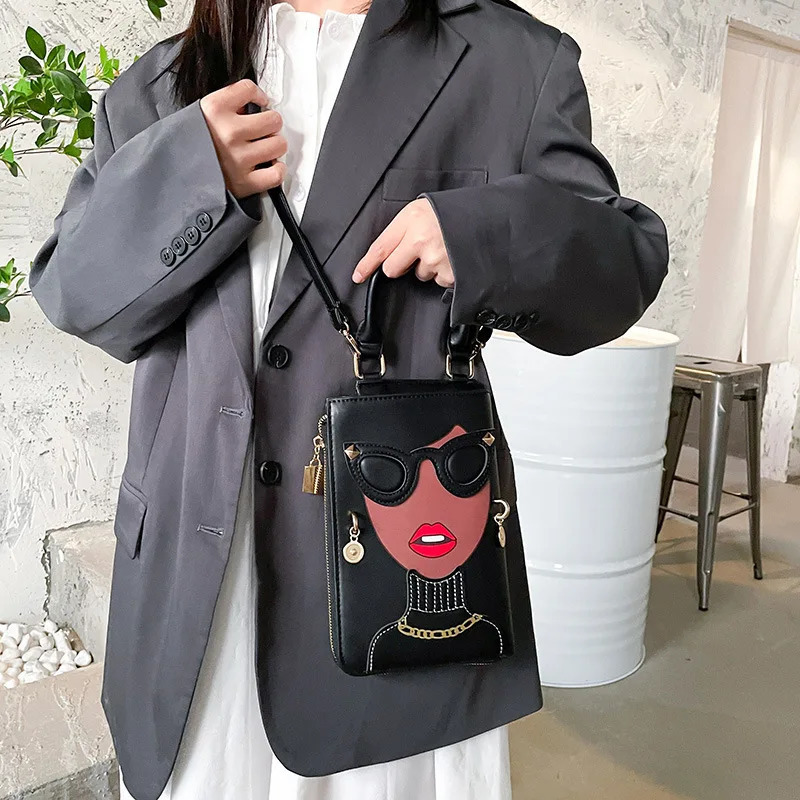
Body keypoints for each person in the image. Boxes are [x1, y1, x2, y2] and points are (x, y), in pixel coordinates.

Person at [29, 0, 670, 797]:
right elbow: (77, 296)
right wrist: (191, 173)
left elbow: (624, 268)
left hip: (398, 587)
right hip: (192, 590)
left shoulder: (509, 61)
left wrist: (484, 234)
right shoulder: (165, 82)